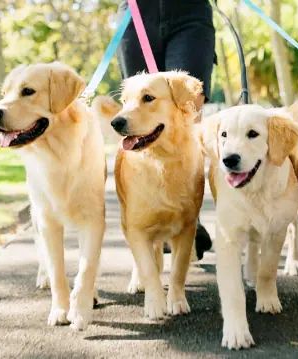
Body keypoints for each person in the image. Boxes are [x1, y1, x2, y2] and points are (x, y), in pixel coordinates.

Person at [117, 0, 216, 259]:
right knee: (139, 118)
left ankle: (186, 217)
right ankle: (146, 226)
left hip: (190, 15)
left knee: (186, 113)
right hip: (137, 13)